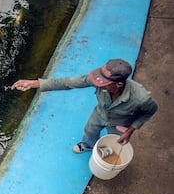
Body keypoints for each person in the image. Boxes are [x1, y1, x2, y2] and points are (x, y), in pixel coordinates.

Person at [10, 58, 158, 153]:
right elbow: (67, 82)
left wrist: (130, 130)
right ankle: (87, 145)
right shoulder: (98, 79)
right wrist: (33, 83)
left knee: (116, 142)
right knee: (90, 130)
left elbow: (149, 112)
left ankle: (109, 150)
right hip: (100, 113)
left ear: (119, 84)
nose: (98, 83)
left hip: (121, 123)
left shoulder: (142, 98)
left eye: (104, 84)